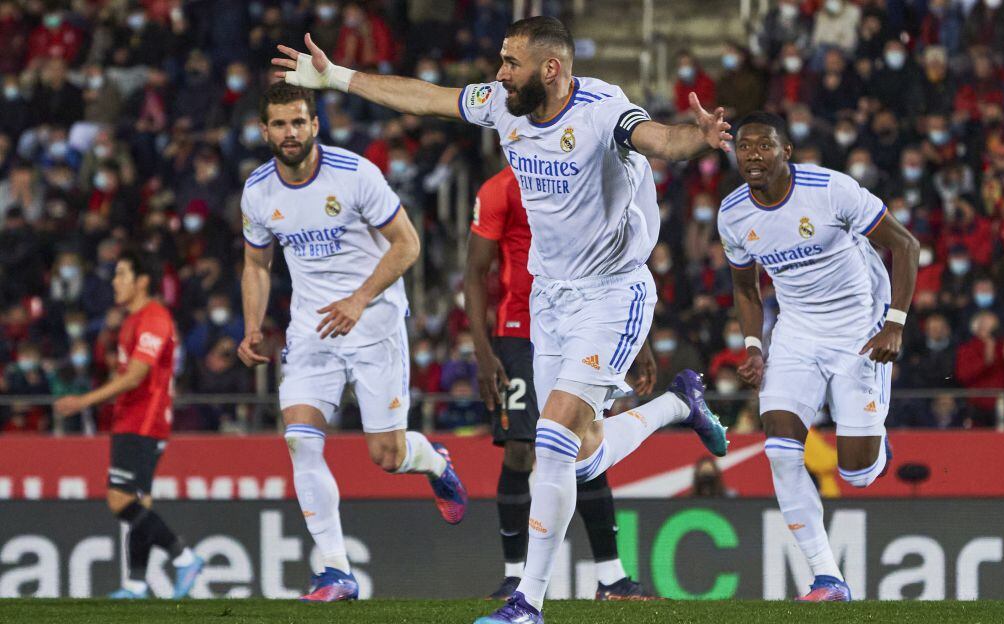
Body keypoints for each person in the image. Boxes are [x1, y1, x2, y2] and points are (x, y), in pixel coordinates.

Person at [271, 16, 731, 622]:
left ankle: (528, 601)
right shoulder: (502, 104)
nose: (499, 72)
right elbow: (427, 98)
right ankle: (678, 404)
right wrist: (340, 78)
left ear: (551, 69)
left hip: (613, 292)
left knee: (553, 441)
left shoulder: (601, 109)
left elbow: (658, 141)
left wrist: (696, 137)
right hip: (549, 298)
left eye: (511, 62)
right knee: (582, 453)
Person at [236, 81, 467, 603]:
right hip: (311, 328)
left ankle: (434, 462)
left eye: (299, 121)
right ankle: (337, 570)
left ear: (315, 125)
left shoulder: (356, 174)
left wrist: (360, 299)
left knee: (386, 455)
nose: (290, 132)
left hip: (374, 321)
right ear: (264, 130)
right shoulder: (257, 191)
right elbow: (256, 263)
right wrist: (253, 325)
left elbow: (408, 244)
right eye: (279, 124)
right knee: (299, 439)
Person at [718, 112, 919, 601]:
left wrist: (894, 323)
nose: (753, 156)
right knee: (780, 451)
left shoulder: (830, 190)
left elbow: (906, 245)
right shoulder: (733, 214)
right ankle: (828, 577)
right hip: (797, 332)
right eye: (744, 148)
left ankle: (874, 448)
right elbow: (746, 286)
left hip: (860, 328)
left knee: (855, 473)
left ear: (787, 151)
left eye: (764, 146)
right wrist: (753, 345)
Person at [465, 166, 656, 600]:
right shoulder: (499, 189)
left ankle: (611, 577)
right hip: (519, 331)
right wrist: (482, 350)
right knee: (520, 449)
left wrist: (638, 337)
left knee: (579, 438)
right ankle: (515, 575)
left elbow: (624, 260)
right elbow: (475, 271)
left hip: (589, 320)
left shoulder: (584, 174)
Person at [53, 249, 205, 599]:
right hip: (133, 418)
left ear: (142, 281)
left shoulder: (154, 318)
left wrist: (84, 401)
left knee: (119, 500)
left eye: (122, 275)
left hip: (143, 420)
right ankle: (136, 585)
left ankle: (184, 557)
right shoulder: (131, 320)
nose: (115, 282)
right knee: (141, 503)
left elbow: (137, 376)